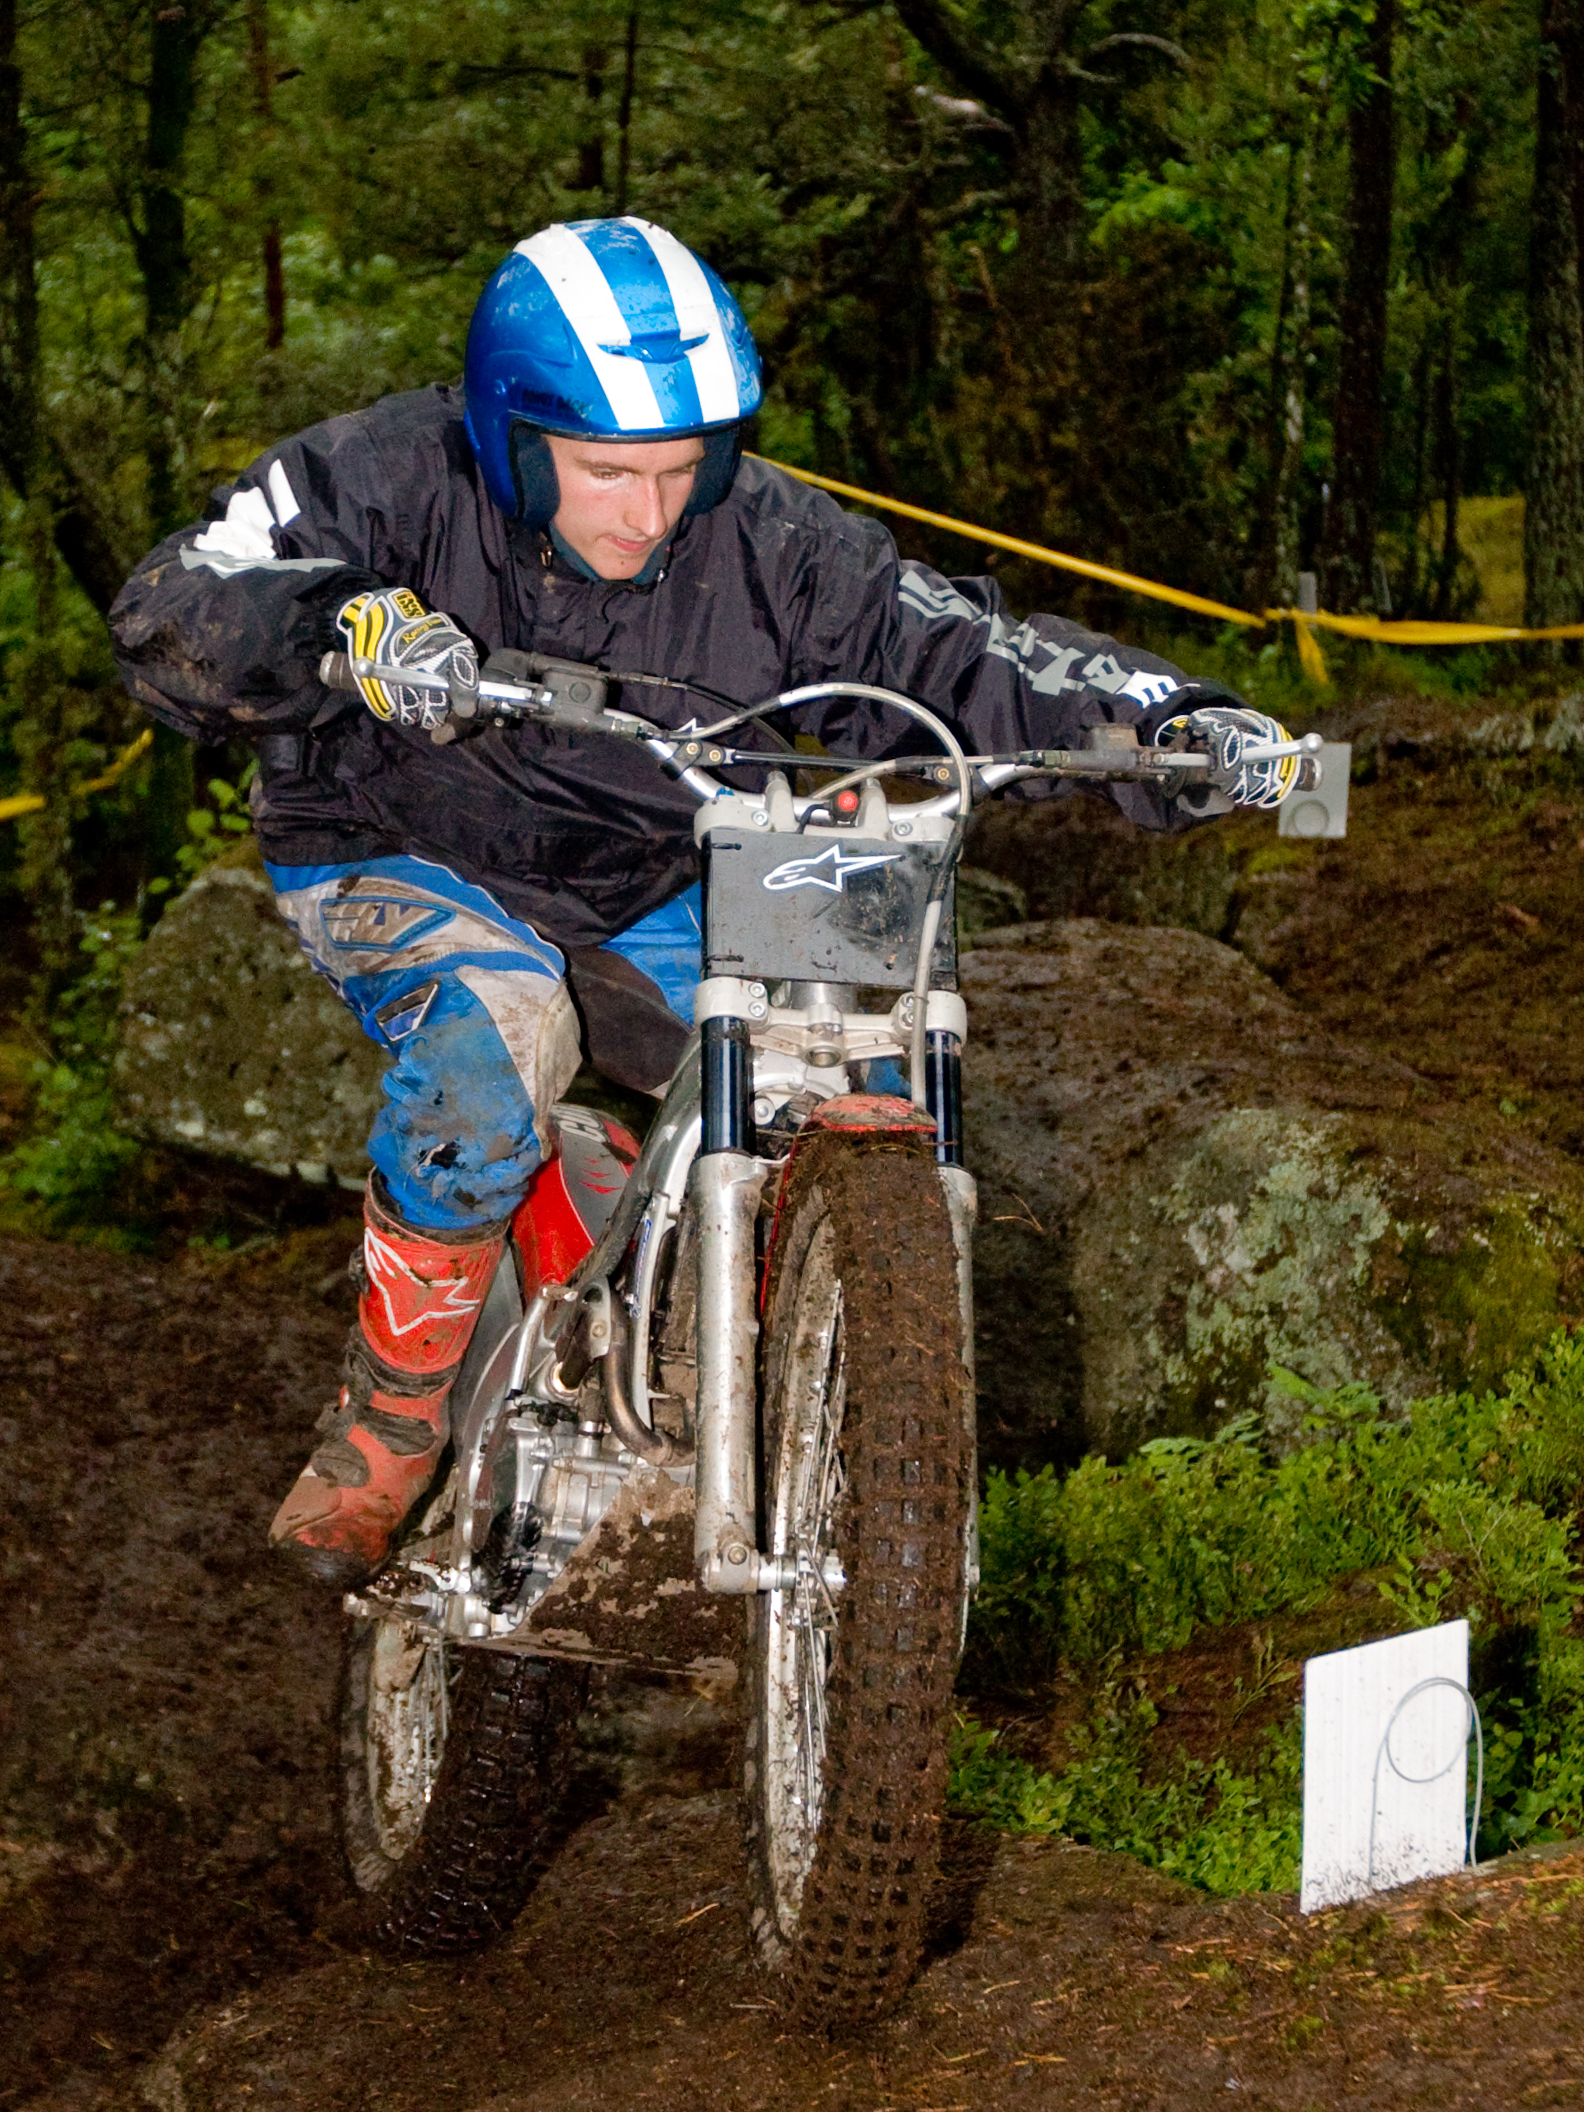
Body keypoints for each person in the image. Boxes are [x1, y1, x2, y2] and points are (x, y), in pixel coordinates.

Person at [110, 215, 1296, 1588]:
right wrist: (340, 624)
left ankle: (754, 1389)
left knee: (844, 1054)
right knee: (495, 1046)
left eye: (681, 469)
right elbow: (177, 598)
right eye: (607, 470)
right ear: (510, 434)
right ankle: (389, 1422)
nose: (648, 513)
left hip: (654, 864)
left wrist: (1171, 723)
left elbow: (958, 649)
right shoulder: (379, 474)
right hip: (398, 840)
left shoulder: (777, 541)